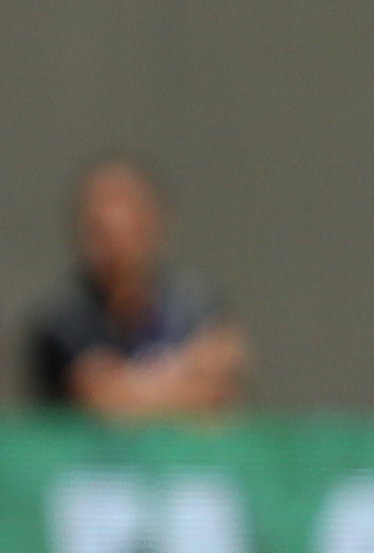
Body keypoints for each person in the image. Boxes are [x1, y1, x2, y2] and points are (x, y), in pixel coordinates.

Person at [27, 158, 247, 417]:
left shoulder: (196, 305)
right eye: (100, 229)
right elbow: (104, 400)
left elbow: (221, 384)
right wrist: (184, 379)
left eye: (129, 221)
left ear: (153, 224)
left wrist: (136, 390)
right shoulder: (62, 321)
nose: (117, 241)